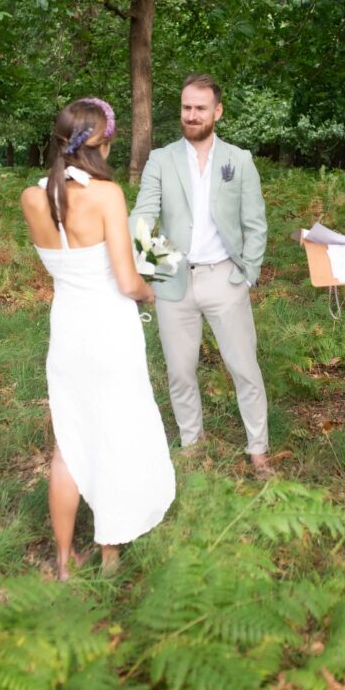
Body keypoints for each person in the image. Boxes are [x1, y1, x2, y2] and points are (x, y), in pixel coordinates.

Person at [21, 98, 175, 580]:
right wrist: (149, 291)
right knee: (116, 431)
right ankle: (110, 556)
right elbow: (127, 281)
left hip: (68, 329)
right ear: (102, 143)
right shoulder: (106, 194)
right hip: (109, 328)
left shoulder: (32, 197)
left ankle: (64, 562)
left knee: (69, 442)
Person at [129, 73, 272, 477]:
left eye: (200, 108)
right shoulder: (161, 159)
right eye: (186, 107)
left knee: (244, 369)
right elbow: (142, 216)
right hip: (174, 279)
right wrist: (155, 267)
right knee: (179, 372)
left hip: (225, 278)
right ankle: (192, 445)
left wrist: (248, 274)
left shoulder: (239, 160)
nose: (191, 115)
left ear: (217, 112)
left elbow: (255, 223)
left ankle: (258, 450)